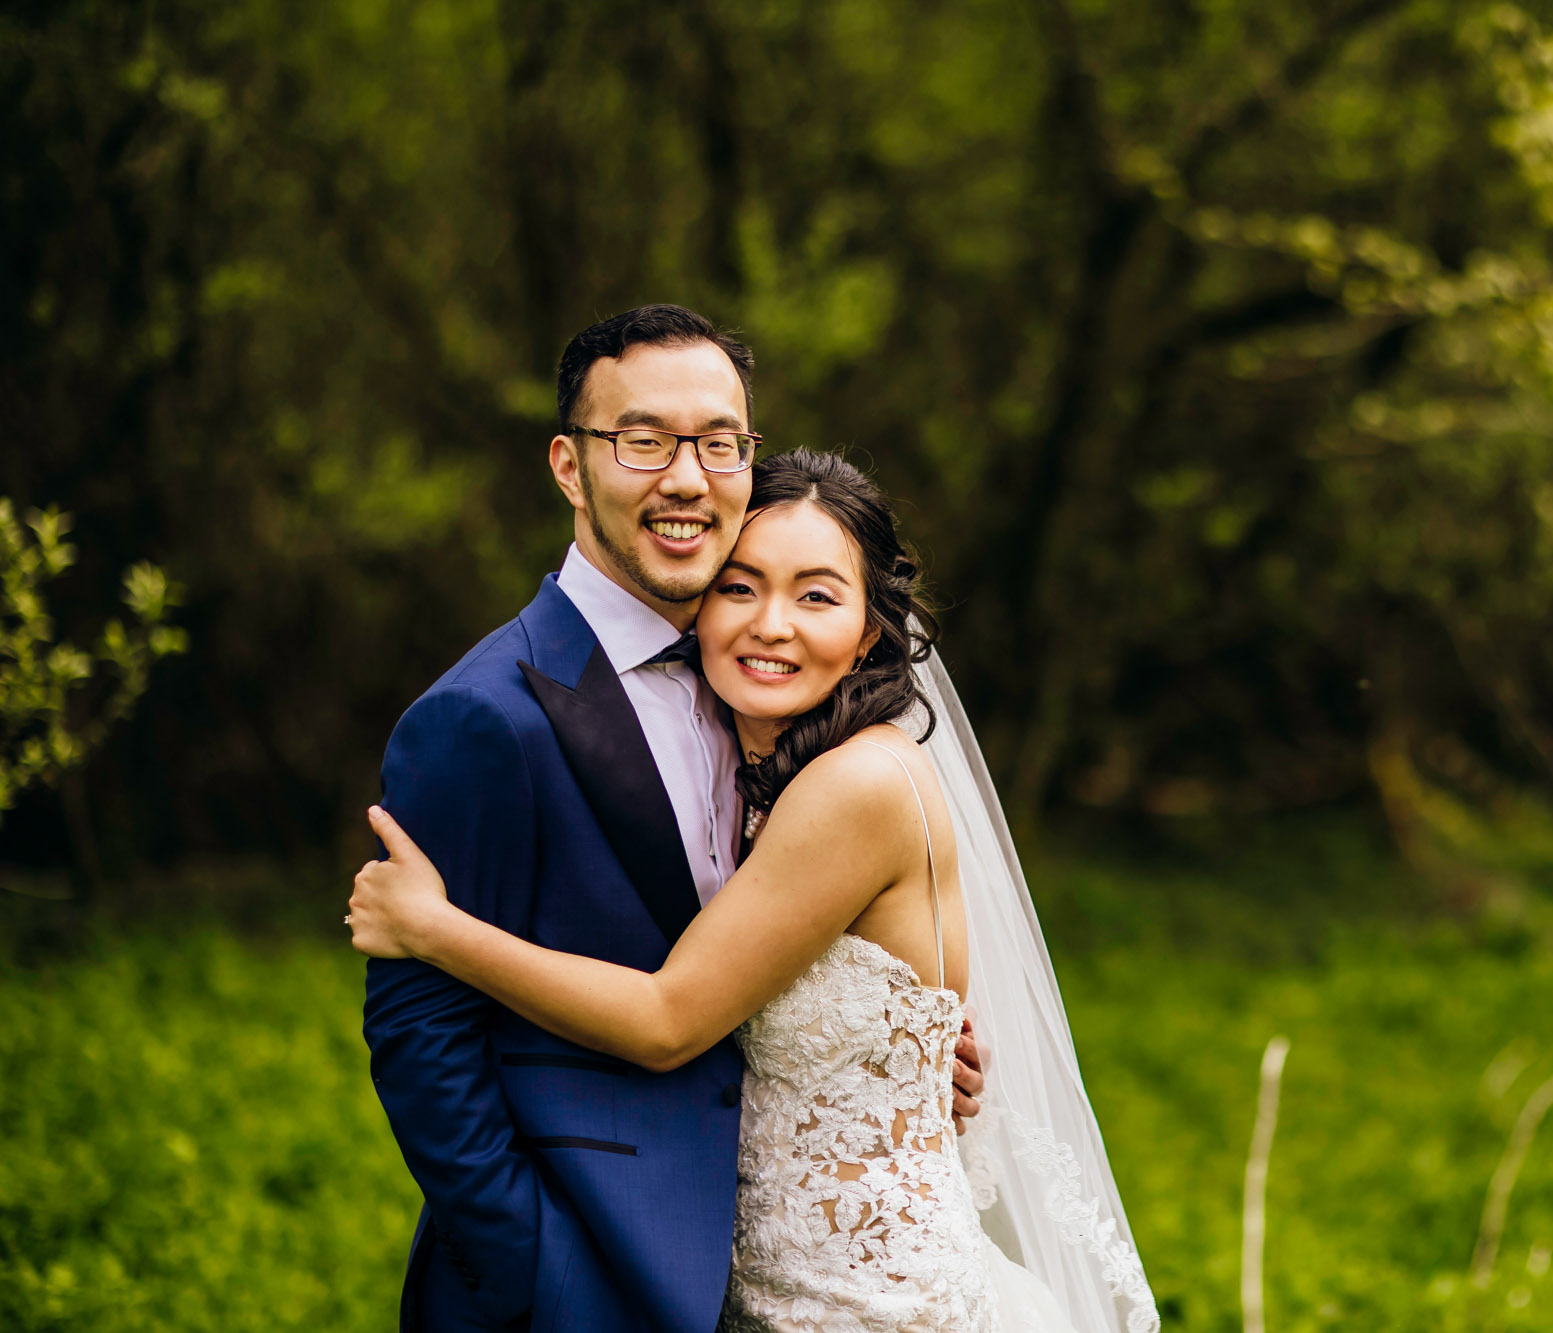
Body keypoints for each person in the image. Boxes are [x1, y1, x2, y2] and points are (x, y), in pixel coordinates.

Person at [359, 305, 1153, 1333]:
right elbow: (422, 1033)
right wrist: (531, 1260)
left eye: (717, 442)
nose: (685, 476)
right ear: (568, 463)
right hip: (581, 1272)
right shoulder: (485, 714)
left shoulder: (788, 722)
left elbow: (702, 1004)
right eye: (641, 439)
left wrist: (907, 1068)